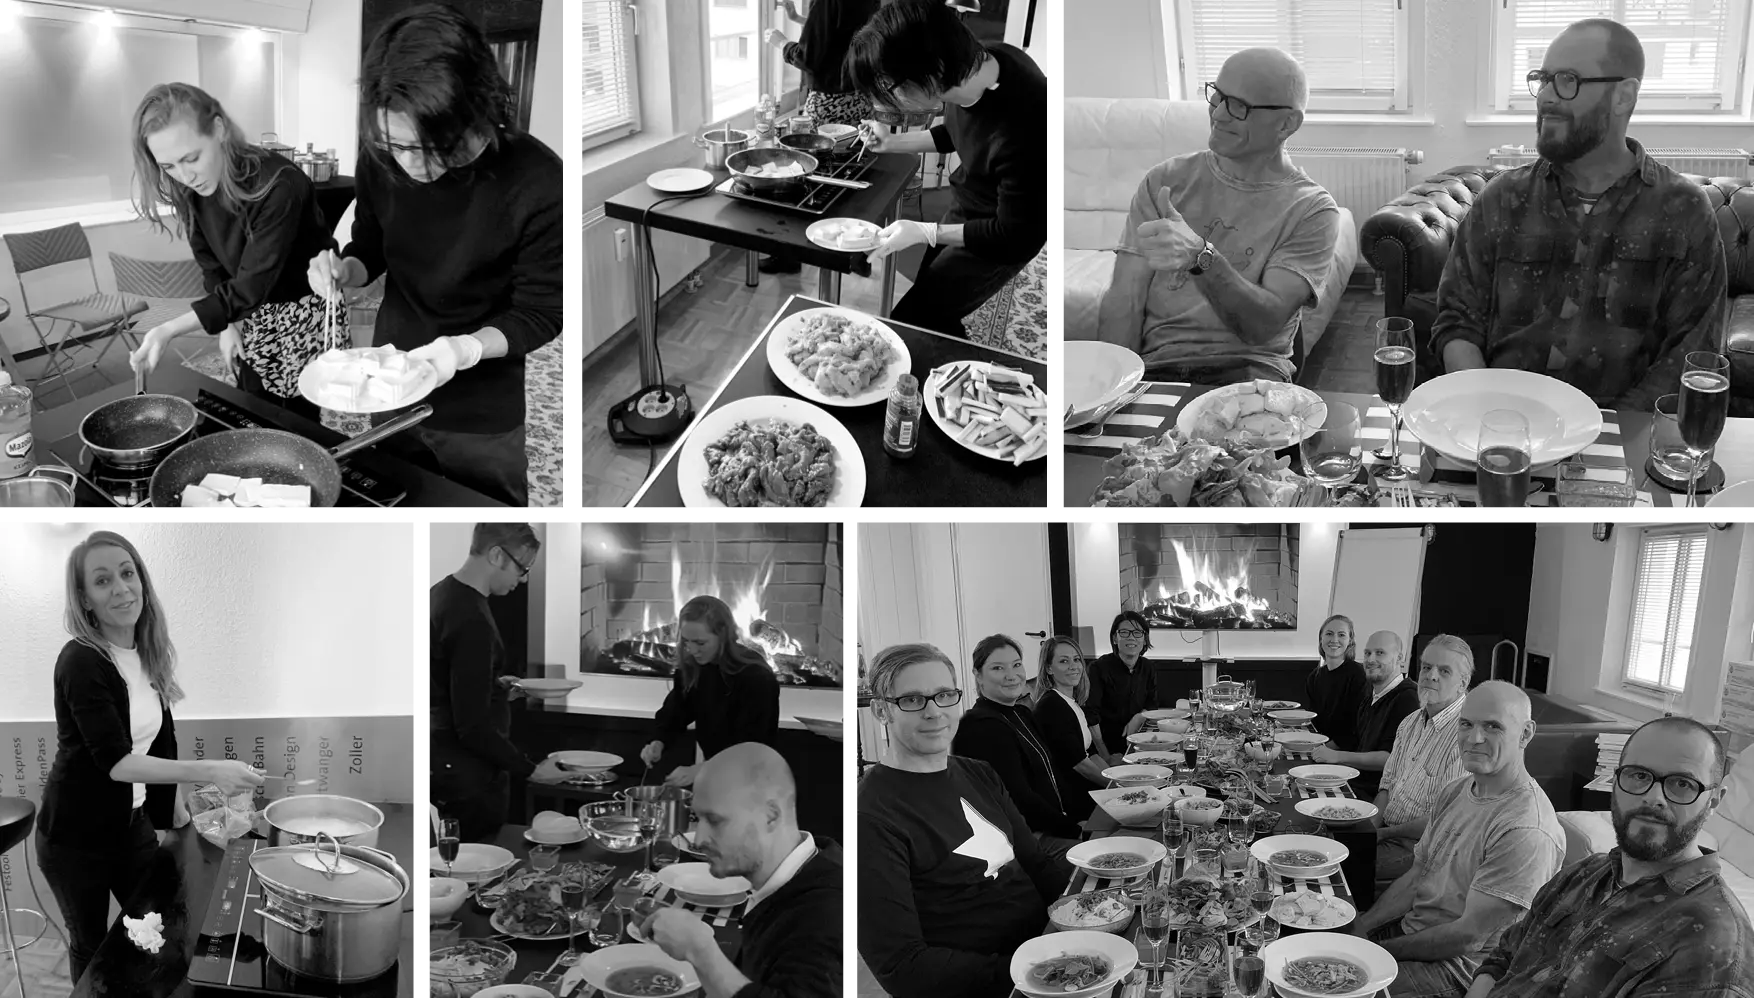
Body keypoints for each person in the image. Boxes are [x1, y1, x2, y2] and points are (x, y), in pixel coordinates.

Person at [308, 4, 566, 509]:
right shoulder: (382, 160)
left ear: (480, 110)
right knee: (392, 500)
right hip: (391, 379)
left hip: (481, 407)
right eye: (396, 146)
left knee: (483, 505)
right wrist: (345, 270)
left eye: (436, 147)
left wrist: (462, 349)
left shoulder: (537, 181)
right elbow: (370, 249)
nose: (413, 166)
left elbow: (542, 311)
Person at [1430, 18, 1726, 410]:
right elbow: (1457, 319)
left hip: (1622, 440)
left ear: (1623, 96)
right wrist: (1488, 411)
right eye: (1543, 78)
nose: (1546, 97)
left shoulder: (1682, 211)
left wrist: (1607, 440)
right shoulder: (1503, 198)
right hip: (1503, 432)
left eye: (1568, 79)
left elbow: (1691, 354)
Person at [37, 531, 264, 984]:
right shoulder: (82, 661)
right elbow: (117, 763)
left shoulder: (145, 652)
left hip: (129, 822)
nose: (121, 589)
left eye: (127, 573)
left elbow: (160, 740)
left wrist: (177, 811)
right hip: (74, 838)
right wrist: (211, 771)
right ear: (85, 599)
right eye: (103, 582)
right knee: (92, 943)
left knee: (168, 919)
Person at [1096, 47, 1341, 385]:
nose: (1219, 115)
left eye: (1239, 106)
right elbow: (1125, 298)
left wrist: (1201, 257)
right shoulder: (1165, 181)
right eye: (1218, 96)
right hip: (1156, 371)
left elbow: (1262, 326)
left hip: (1249, 377)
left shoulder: (1312, 209)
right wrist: (1114, 391)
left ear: (1287, 123)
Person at [1465, 716, 1754, 998]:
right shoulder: (1583, 874)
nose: (1654, 797)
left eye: (1682, 784)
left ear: (1714, 800)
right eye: (1639, 776)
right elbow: (1504, 957)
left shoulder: (1713, 945)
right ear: (1613, 782)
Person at [857, 643, 1069, 998]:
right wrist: (1038, 972)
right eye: (911, 700)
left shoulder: (978, 773)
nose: (933, 712)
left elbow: (1038, 865)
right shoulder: (872, 816)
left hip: (1050, 947)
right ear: (881, 711)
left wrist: (1086, 917)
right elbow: (902, 967)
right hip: (1001, 982)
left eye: (944, 695)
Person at [126, 83, 336, 420]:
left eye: (191, 158)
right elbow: (212, 268)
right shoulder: (189, 188)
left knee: (297, 418)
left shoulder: (280, 184)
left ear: (220, 130)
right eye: (168, 167)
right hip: (245, 310)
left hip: (300, 310)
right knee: (252, 405)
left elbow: (252, 283)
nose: (184, 176)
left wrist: (168, 329)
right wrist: (228, 326)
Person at [846, 0, 1047, 337]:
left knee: (913, 322)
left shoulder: (1027, 123)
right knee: (933, 307)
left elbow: (1013, 235)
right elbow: (958, 132)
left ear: (932, 69)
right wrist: (891, 143)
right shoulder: (980, 64)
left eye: (889, 88)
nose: (886, 101)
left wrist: (927, 231)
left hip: (1003, 233)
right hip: (967, 206)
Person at [1351, 682, 1565, 998]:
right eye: (1466, 724)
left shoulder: (1525, 828)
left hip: (1457, 969)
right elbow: (1415, 878)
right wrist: (1363, 927)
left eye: (1493, 726)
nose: (1474, 738)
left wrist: (1380, 950)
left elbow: (1468, 938)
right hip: (1411, 934)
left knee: (1337, 987)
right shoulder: (1456, 791)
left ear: (1525, 734)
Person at [641, 743, 846, 998]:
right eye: (697, 819)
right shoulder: (789, 880)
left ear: (770, 815)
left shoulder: (828, 912)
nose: (698, 839)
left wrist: (701, 952)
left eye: (715, 820)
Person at [425, 520, 568, 842]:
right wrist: (531, 769)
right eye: (523, 567)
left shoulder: (442, 592)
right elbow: (472, 725)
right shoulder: (472, 618)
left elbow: (444, 676)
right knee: (478, 864)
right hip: (468, 774)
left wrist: (495, 684)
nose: (523, 578)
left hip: (443, 761)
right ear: (497, 556)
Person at [759, 0, 880, 275]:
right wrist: (801, 19)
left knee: (809, 177)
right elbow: (840, 36)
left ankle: (798, 255)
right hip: (859, 96)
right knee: (849, 173)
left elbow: (810, 57)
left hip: (829, 101)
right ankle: (858, 247)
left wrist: (781, 43)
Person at [950, 635, 1084, 855]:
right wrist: (1075, 830)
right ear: (978, 675)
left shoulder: (1020, 713)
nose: (1011, 675)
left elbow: (1052, 775)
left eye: (1016, 665)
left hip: (1053, 827)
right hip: (1024, 844)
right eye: (997, 668)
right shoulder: (980, 727)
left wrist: (1078, 818)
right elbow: (1020, 799)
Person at [639, 595, 781, 788]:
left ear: (723, 635)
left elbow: (752, 747)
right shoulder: (694, 667)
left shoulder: (756, 677)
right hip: (716, 776)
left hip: (753, 780)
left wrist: (701, 770)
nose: (692, 650)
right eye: (687, 641)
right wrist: (658, 742)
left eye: (700, 643)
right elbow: (676, 712)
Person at [1370, 636, 1472, 880]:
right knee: (1322, 844)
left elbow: (1445, 823)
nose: (1431, 676)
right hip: (1388, 831)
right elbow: (1386, 787)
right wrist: (1368, 829)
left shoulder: (1466, 736)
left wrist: (1382, 834)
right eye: (1426, 667)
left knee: (1343, 866)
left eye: (1444, 671)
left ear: (1463, 683)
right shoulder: (1410, 722)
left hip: (1426, 848)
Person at [1312, 630, 1420, 798]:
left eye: (1380, 653)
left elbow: (1389, 758)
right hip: (1354, 781)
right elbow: (1354, 739)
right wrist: (1314, 751)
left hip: (1376, 795)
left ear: (1400, 658)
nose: (1370, 659)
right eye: (1367, 653)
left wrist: (1336, 757)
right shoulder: (1371, 695)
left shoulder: (1408, 698)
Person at [1031, 636, 1106, 816]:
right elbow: (1080, 764)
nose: (1074, 666)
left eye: (1077, 659)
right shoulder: (1051, 706)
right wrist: (1117, 787)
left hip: (1085, 787)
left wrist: (1116, 778)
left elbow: (1091, 753)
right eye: (1064, 661)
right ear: (1049, 668)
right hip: (1072, 800)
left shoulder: (1070, 701)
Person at [1085, 610, 1162, 765]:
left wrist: (1139, 717)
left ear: (1145, 639)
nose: (1131, 637)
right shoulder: (1099, 668)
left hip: (1140, 743)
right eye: (1124, 632)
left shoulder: (1148, 667)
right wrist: (1105, 756)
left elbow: (1152, 704)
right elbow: (1090, 715)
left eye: (1137, 633)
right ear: (1115, 638)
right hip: (1106, 746)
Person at [1306, 614, 1369, 752]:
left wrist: (1323, 750)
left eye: (1341, 635)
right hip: (1321, 748)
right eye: (1329, 634)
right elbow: (1313, 721)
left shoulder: (1359, 675)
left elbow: (1356, 726)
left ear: (1350, 641)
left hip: (1348, 754)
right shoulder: (1314, 677)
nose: (1334, 640)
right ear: (1321, 638)